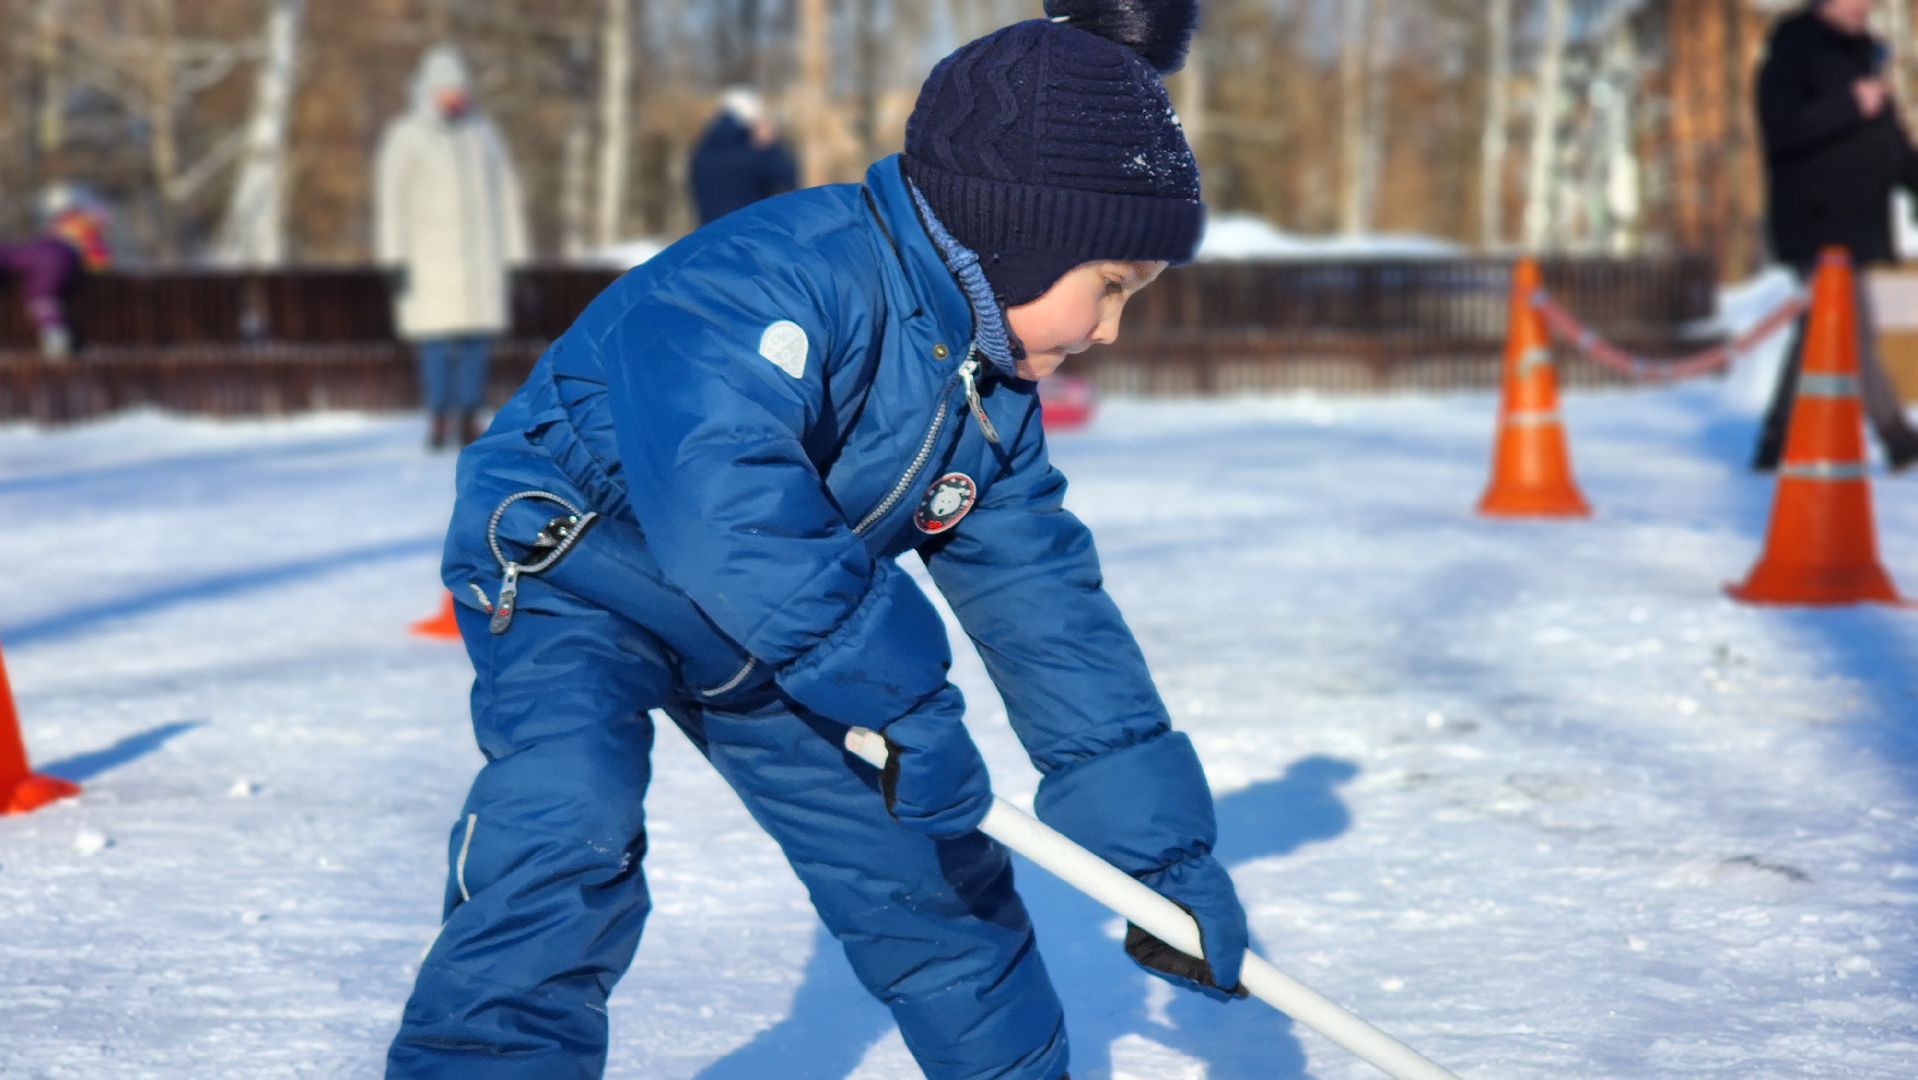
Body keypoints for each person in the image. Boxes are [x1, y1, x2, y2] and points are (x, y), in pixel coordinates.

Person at [386, 2, 1244, 1078]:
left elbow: (1047, 611)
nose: (1110, 331)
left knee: (928, 882)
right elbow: (726, 500)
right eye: (1108, 290)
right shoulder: (775, 276)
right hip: (578, 568)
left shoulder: (989, 394)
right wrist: (901, 702)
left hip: (783, 625)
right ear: (1022, 242)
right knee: (567, 827)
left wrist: (1155, 856)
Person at [1754, 0, 1918, 472]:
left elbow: (1891, 143)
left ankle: (1776, 436)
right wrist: (1849, 104)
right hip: (1816, 219)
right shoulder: (1791, 51)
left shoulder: (1865, 56)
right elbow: (1781, 129)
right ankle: (1898, 435)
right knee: (1850, 325)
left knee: (1817, 328)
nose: (1862, 6)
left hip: (1860, 219)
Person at [375, 44, 529, 451]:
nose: (454, 96)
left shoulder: (483, 135)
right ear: (429, 91)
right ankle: (439, 415)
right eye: (445, 89)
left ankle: (469, 414)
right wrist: (395, 258)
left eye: (458, 89)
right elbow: (391, 200)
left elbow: (506, 197)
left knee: (478, 341)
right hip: (430, 260)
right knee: (437, 343)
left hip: (480, 258)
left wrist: (515, 256)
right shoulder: (406, 137)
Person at [0, 207, 110, 359]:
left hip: (50, 263)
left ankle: (56, 341)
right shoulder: (69, 242)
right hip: (65, 259)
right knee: (47, 302)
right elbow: (98, 261)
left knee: (43, 301)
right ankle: (58, 339)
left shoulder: (27, 251)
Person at [687, 87, 799, 226]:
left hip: (708, 234)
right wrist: (771, 146)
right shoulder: (753, 154)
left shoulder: (701, 152)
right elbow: (786, 176)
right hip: (745, 234)